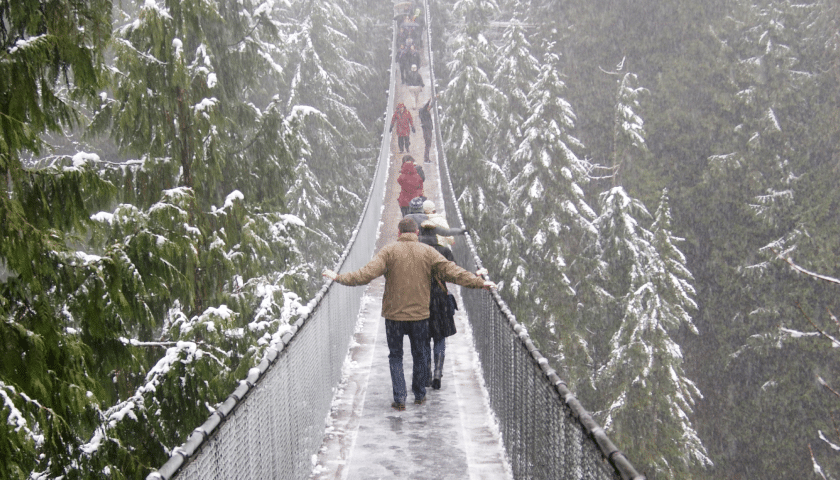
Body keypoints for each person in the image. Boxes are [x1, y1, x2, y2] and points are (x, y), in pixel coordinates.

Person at [323, 217, 496, 411]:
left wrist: (339, 278)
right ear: (416, 233)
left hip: (394, 317)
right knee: (420, 354)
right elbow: (452, 271)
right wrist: (479, 282)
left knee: (395, 356)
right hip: (419, 316)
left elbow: (365, 274)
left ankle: (400, 398)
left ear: (398, 233)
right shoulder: (427, 252)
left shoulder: (388, 251)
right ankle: (419, 394)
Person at [417, 223, 486, 389]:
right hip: (440, 299)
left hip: (420, 299)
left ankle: (426, 374)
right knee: (439, 337)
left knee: (424, 339)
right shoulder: (444, 251)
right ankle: (437, 372)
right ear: (436, 234)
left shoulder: (415, 252)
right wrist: (475, 277)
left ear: (419, 233)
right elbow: (455, 273)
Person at [418, 96, 435, 163]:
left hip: (429, 129)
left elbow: (431, 106)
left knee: (428, 144)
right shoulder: (423, 112)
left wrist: (435, 99)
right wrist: (429, 101)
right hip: (426, 129)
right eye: (427, 107)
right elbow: (425, 107)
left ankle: (427, 158)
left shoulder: (426, 112)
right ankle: (426, 158)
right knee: (428, 143)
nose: (429, 108)